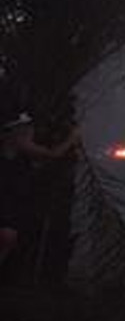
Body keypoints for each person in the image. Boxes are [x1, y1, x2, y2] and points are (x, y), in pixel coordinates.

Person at [0, 112, 80, 271]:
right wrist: (72, 138)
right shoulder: (17, 141)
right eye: (26, 127)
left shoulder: (20, 149)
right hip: (7, 196)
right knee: (7, 235)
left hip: (14, 197)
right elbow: (52, 154)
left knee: (9, 237)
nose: (31, 130)